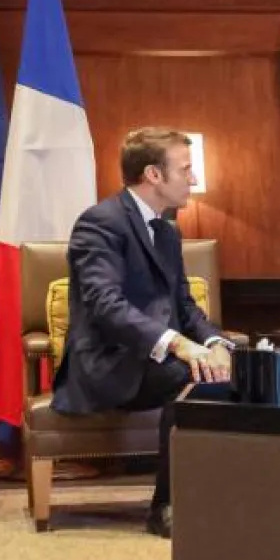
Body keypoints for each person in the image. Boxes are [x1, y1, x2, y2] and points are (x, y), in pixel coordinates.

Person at [50, 127, 234, 538]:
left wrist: (216, 344)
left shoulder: (167, 230)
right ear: (153, 174)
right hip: (108, 363)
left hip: (156, 359)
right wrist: (182, 346)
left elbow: (185, 305)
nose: (193, 179)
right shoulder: (100, 223)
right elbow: (106, 306)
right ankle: (166, 507)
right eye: (186, 169)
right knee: (187, 376)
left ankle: (222, 498)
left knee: (241, 369)